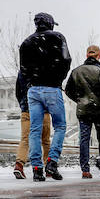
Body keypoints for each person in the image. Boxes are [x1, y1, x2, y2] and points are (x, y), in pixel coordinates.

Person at [19, 12, 71, 181]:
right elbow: (66, 61)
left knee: (35, 130)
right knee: (60, 126)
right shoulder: (57, 38)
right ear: (50, 24)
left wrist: (31, 82)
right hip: (51, 87)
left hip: (33, 91)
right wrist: (58, 79)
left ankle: (36, 168)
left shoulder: (26, 42)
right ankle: (52, 161)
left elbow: (23, 70)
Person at [64, 45, 100, 179]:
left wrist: (79, 100)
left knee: (84, 139)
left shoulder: (76, 72)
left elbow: (67, 91)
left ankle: (85, 169)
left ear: (87, 55)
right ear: (98, 56)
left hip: (83, 111)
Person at [12, 68, 51, 179]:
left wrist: (24, 105)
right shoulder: (45, 69)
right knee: (46, 141)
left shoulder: (23, 70)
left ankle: (19, 165)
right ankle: (48, 167)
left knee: (25, 139)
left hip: (27, 110)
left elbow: (18, 92)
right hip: (43, 110)